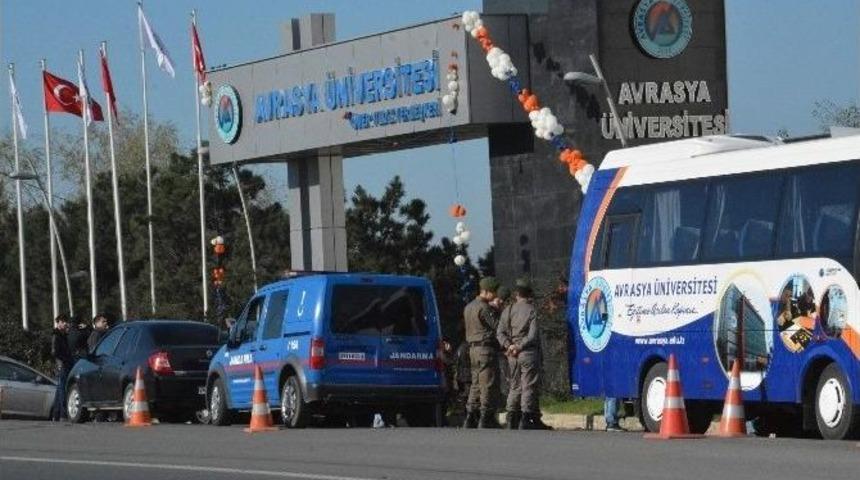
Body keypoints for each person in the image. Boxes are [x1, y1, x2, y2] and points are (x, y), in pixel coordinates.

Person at [497, 278, 551, 430]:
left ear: (516, 294)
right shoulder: (531, 310)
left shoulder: (508, 310)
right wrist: (519, 346)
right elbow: (532, 335)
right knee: (528, 385)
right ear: (529, 294)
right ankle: (526, 418)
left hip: (511, 354)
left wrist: (509, 346)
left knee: (514, 386)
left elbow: (500, 333)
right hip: (526, 352)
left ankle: (511, 417)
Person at [463, 276, 501, 429]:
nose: (495, 296)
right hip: (485, 349)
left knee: (476, 383)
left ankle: (470, 415)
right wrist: (497, 310)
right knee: (487, 383)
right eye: (493, 293)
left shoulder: (469, 307)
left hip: (472, 349)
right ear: (485, 291)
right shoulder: (484, 308)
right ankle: (485, 417)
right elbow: (497, 326)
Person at [49, 314, 74, 421]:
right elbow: (54, 352)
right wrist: (60, 362)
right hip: (62, 364)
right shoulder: (56, 335)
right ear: (58, 322)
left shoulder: (63, 335)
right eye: (63, 322)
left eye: (66, 322)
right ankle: (63, 413)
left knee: (60, 389)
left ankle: (56, 413)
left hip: (66, 363)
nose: (65, 324)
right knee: (63, 389)